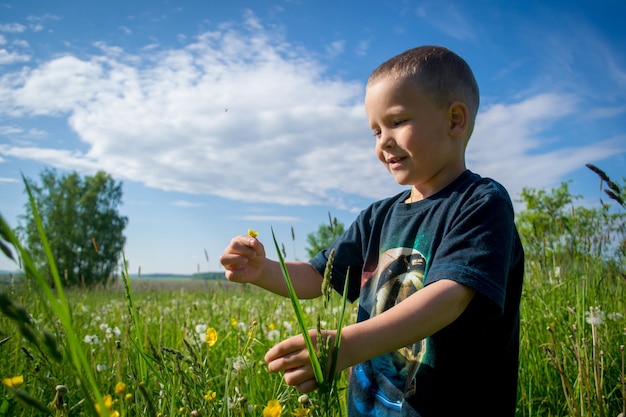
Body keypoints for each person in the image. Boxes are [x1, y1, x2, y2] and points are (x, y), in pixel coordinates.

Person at [219, 45, 524, 416]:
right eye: (375, 131)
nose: (383, 142)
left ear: (455, 120)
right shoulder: (376, 218)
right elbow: (318, 277)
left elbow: (450, 297)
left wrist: (345, 346)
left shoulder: (480, 203)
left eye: (397, 122)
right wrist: (264, 270)